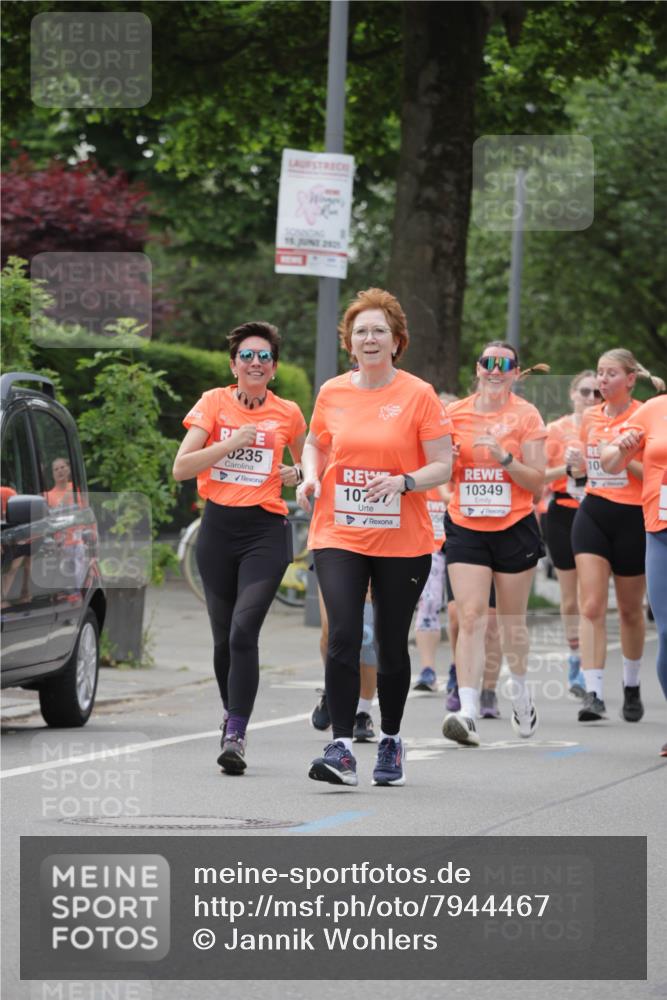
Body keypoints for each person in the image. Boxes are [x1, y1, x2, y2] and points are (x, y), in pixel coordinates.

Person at [297, 287, 452, 787]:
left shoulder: (418, 394)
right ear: (350, 341)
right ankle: (341, 746)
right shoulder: (332, 392)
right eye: (360, 331)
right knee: (343, 634)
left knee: (388, 643)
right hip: (338, 531)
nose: (369, 338)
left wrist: (405, 481)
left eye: (378, 331)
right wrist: (308, 476)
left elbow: (442, 464)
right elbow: (314, 444)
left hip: (402, 538)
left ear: (396, 340)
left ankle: (391, 739)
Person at [173, 321, 306, 774]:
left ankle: (236, 733)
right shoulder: (213, 403)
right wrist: (229, 441)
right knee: (222, 638)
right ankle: (232, 715)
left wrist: (300, 476)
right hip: (217, 532)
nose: (255, 362)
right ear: (234, 365)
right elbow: (181, 467)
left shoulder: (289, 413)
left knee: (243, 631)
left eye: (264, 357)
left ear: (274, 368)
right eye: (247, 356)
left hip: (265, 531)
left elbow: (311, 468)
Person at [441, 341, 548, 746]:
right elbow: (444, 474)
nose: (495, 369)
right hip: (466, 524)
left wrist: (505, 458)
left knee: (510, 623)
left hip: (514, 525)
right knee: (470, 616)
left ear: (516, 373)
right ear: (478, 368)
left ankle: (520, 692)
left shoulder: (527, 416)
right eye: (489, 362)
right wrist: (449, 461)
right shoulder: (454, 414)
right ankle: (467, 711)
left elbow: (537, 484)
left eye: (505, 364)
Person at [568, 349, 663, 723]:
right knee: (590, 605)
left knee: (628, 610)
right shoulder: (589, 416)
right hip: (593, 511)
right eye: (599, 373)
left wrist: (624, 455)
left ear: (630, 379)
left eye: (610, 374)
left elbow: (652, 470)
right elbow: (580, 474)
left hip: (633, 515)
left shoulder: (645, 415)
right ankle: (592, 693)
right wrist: (576, 467)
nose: (602, 381)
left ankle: (631, 685)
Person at [600, 390, 667, 754]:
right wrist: (623, 447)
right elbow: (609, 462)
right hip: (661, 531)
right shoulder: (654, 410)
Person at [543, 371, 601, 697]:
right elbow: (539, 476)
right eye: (585, 392)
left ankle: (590, 664)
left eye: (597, 393)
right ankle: (575, 656)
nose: (591, 398)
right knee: (570, 598)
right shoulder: (556, 430)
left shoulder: (607, 427)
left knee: (590, 597)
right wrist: (567, 468)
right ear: (572, 394)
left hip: (596, 510)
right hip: (564, 510)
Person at [312, 586, 378, 742]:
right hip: (333, 561)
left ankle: (362, 712)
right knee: (331, 630)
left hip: (374, 561)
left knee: (367, 633)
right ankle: (333, 689)